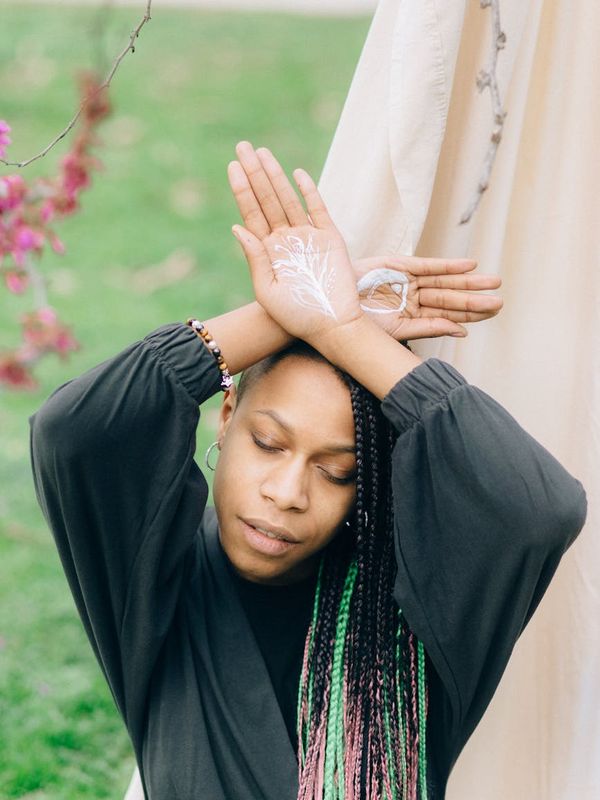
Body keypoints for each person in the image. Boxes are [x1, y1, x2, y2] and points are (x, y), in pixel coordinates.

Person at [29, 141, 587, 800]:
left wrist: (347, 329)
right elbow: (74, 432)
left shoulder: (414, 615)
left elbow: (540, 509)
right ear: (226, 414)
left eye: (337, 471)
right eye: (269, 443)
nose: (287, 493)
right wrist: (288, 312)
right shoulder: (157, 582)